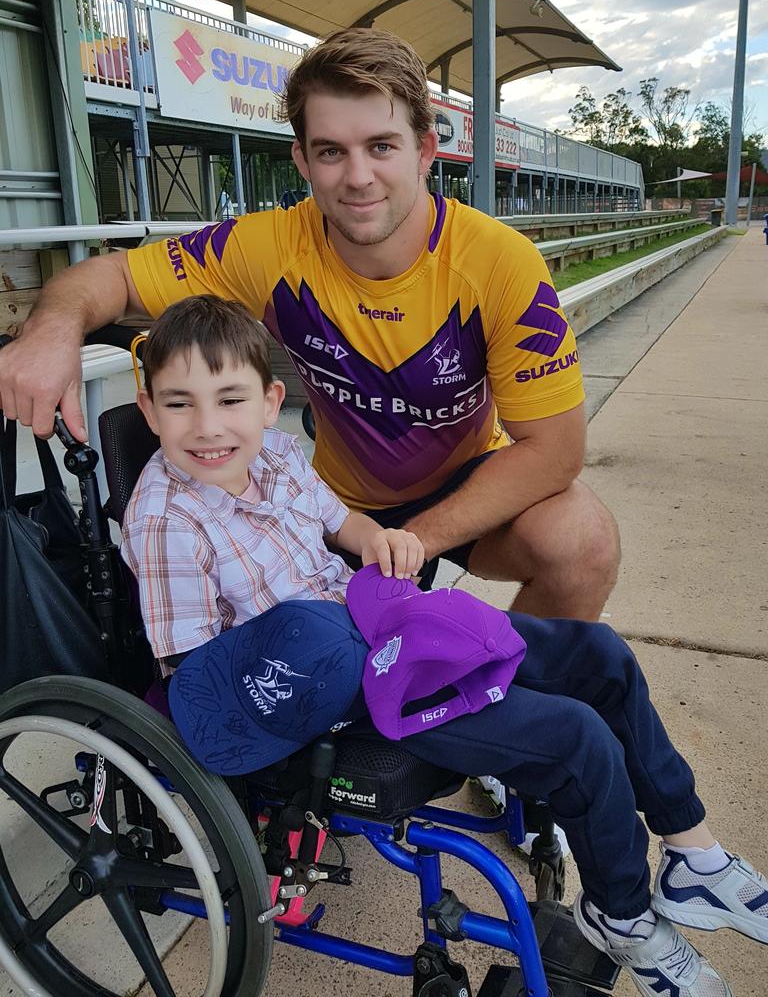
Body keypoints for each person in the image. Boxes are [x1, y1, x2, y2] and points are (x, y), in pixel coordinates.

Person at [124, 298, 765, 997]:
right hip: (331, 690)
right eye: (180, 404)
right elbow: (192, 675)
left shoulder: (275, 453)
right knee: (576, 739)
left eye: (230, 399)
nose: (209, 427)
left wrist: (379, 541)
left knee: (600, 656)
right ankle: (621, 914)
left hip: (386, 621)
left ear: (271, 400)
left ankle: (690, 851)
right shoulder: (165, 520)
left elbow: (340, 521)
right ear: (149, 409)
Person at [0, 27, 619, 620]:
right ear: (301, 158)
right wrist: (52, 331)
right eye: (331, 152)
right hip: (336, 503)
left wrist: (412, 540)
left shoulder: (502, 263)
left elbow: (555, 452)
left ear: (426, 149)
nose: (357, 177)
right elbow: (110, 278)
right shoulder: (266, 246)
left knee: (583, 542)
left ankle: (517, 710)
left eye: (381, 146)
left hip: (465, 488)